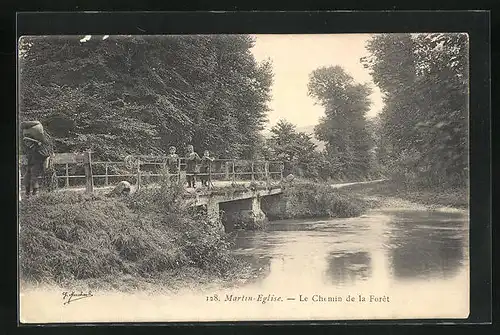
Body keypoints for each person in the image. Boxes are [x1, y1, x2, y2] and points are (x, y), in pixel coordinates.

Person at [21, 121, 53, 197]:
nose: (27, 143)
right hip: (31, 164)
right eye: (26, 142)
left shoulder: (38, 149)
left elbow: (44, 155)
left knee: (33, 177)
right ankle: (27, 193)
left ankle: (35, 193)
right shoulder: (30, 149)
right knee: (26, 178)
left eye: (28, 142)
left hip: (37, 164)